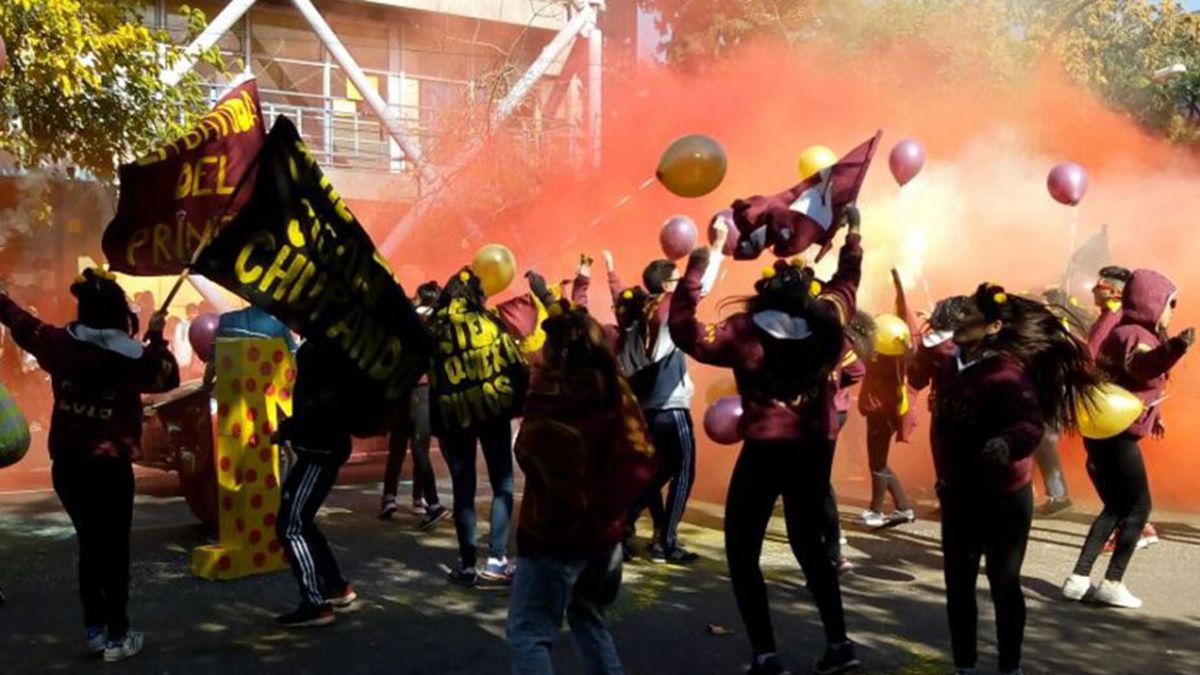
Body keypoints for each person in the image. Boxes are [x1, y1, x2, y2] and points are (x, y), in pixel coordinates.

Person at [670, 213, 863, 675]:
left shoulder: (744, 331)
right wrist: (853, 238)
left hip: (765, 452)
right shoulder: (829, 329)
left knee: (742, 550)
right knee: (811, 547)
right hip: (814, 451)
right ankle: (839, 644)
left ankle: (766, 654)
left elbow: (684, 330)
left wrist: (698, 268)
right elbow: (847, 286)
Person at [0, 268, 180, 661]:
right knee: (112, 550)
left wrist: (1, 297)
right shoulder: (134, 358)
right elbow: (167, 377)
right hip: (109, 468)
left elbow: (18, 322)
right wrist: (155, 335)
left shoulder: (57, 344)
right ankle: (118, 637)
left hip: (67, 465)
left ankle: (95, 630)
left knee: (91, 544)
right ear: (119, 312)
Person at [920, 283, 1097, 675]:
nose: (959, 318)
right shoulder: (949, 364)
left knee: (1003, 582)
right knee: (959, 585)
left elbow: (1031, 423)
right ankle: (964, 665)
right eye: (961, 310)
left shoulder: (1007, 372)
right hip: (958, 493)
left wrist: (1006, 442)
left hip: (1004, 496)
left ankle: (1009, 666)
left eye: (968, 313)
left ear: (994, 326)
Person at [506, 300, 657, 675]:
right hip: (604, 538)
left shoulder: (549, 394)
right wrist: (612, 509)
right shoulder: (616, 390)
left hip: (550, 535)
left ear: (559, 351)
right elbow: (644, 459)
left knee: (529, 633)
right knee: (589, 620)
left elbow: (526, 450)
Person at [1063, 269, 1193, 609]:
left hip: (1105, 431)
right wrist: (1177, 347)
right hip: (1118, 436)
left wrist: (1157, 415)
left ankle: (1078, 579)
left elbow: (1129, 380)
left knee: (1115, 507)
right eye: (1170, 303)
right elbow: (1141, 368)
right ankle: (1112, 582)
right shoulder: (1138, 335)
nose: (1171, 310)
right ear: (1152, 302)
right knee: (1139, 508)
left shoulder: (1124, 329)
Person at [604, 224, 726, 565]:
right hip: (670, 407)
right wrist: (716, 246)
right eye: (676, 280)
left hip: (645, 408)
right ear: (668, 285)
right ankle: (665, 541)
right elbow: (699, 286)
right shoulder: (668, 309)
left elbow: (618, 297)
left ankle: (624, 524)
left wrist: (611, 270)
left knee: (655, 472)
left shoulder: (638, 309)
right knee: (684, 470)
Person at [430, 269, 529, 587]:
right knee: (502, 483)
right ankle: (497, 560)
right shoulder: (489, 323)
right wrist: (519, 404)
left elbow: (428, 376)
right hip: (492, 410)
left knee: (463, 488)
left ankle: (468, 564)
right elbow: (515, 364)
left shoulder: (435, 329)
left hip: (455, 414)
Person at [272, 340, 359, 628]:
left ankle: (314, 602)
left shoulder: (319, 350)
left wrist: (288, 428)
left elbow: (319, 406)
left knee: (291, 526)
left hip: (319, 450)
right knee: (303, 521)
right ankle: (336, 585)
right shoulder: (333, 346)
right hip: (324, 446)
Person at [380, 281, 448, 530]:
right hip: (423, 390)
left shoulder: (405, 321)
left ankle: (390, 498)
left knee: (397, 446)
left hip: (402, 389)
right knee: (420, 446)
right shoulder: (438, 323)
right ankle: (423, 500)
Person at [856, 270, 918, 528]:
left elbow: (904, 311)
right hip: (881, 411)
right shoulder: (894, 354)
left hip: (883, 412)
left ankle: (877, 510)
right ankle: (903, 508)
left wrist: (899, 284)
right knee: (879, 461)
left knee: (878, 461)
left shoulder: (891, 357)